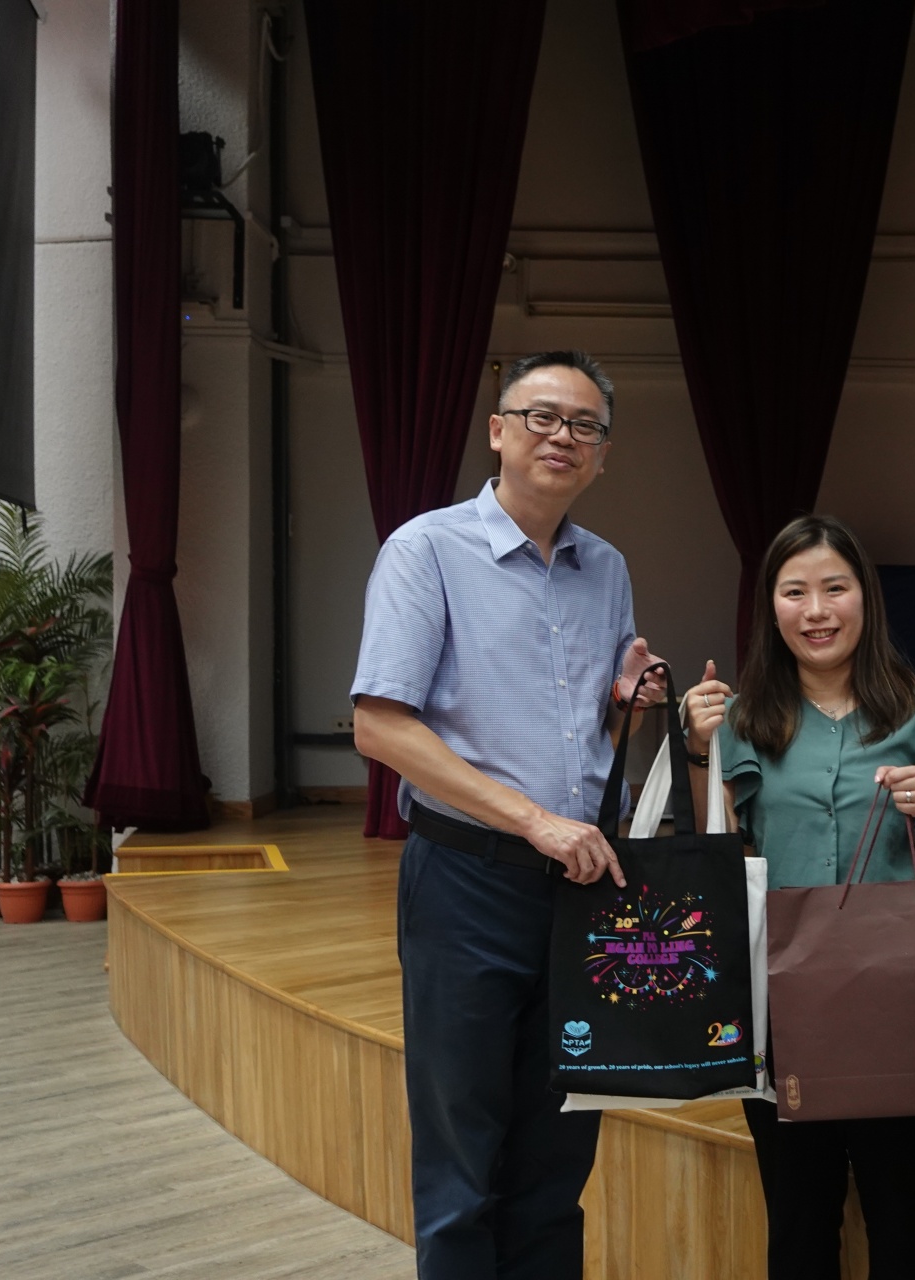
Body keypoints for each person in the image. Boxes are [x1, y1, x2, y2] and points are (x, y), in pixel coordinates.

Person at [351, 350, 669, 1280]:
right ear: (497, 431)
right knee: (462, 1157)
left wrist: (625, 703)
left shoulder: (606, 567)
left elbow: (581, 727)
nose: (562, 436)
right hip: (468, 883)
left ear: (603, 455)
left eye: (585, 425)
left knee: (559, 1152)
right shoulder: (425, 550)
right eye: (541, 416)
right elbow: (380, 726)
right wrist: (532, 820)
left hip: (582, 891)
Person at [678, 514, 915, 1280]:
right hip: (781, 1001)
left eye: (835, 588)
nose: (817, 610)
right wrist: (700, 750)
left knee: (904, 1217)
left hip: (904, 1001)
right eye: (795, 592)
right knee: (798, 1222)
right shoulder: (742, 719)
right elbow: (716, 847)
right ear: (771, 607)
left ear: (867, 598)